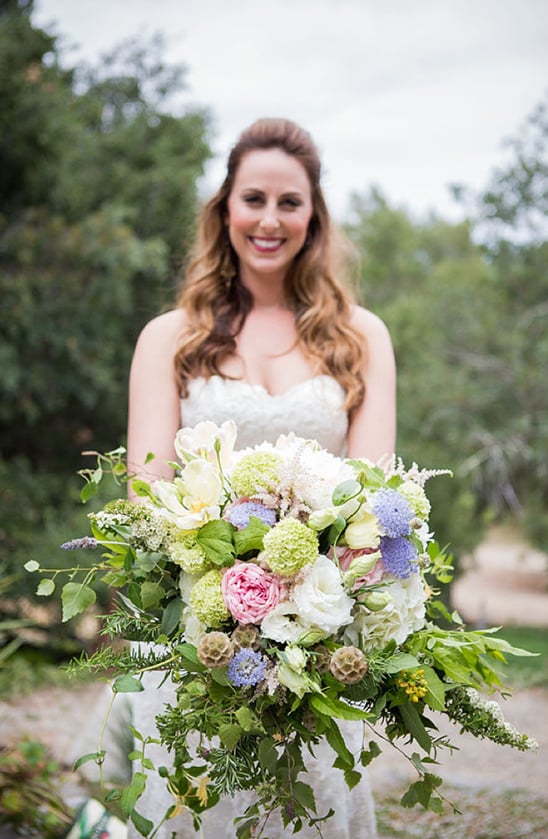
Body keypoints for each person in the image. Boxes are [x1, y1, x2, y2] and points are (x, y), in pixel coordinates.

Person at [126, 117, 396, 838]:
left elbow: (373, 494)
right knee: (198, 807)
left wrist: (307, 602)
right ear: (224, 208)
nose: (269, 219)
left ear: (314, 215)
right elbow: (145, 493)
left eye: (289, 202)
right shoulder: (169, 337)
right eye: (254, 199)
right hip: (196, 633)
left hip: (319, 628)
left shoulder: (361, 336)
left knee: (306, 809)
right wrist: (226, 596)